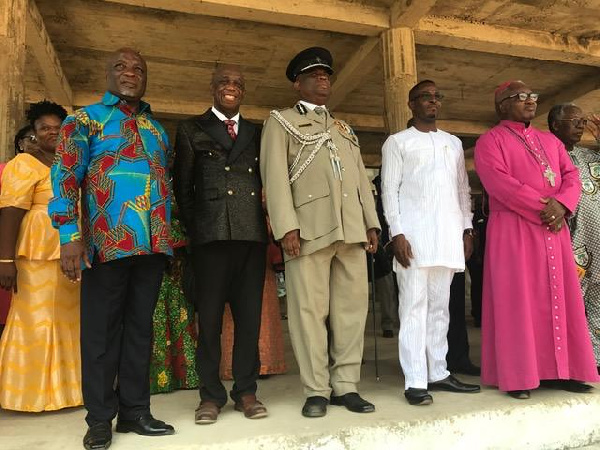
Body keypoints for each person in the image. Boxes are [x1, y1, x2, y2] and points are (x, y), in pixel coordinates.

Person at [49, 48, 174, 450]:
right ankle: (100, 418)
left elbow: (164, 186)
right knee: (102, 334)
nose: (130, 73)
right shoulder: (84, 120)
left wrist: (172, 241)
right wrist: (69, 235)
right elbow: (66, 175)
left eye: (139, 68)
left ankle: (136, 412)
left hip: (153, 245)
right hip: (105, 245)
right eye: (121, 66)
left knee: (140, 331)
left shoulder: (156, 129)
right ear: (107, 74)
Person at [260, 47, 380, 418]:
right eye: (313, 75)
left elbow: (361, 177)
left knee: (351, 310)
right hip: (308, 230)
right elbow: (275, 177)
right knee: (308, 312)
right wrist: (286, 228)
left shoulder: (342, 127)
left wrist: (372, 222)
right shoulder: (280, 122)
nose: (322, 79)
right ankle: (316, 390)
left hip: (351, 230)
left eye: (326, 74)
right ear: (298, 83)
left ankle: (346, 385)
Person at [474, 81, 599, 400]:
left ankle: (564, 371)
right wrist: (546, 207)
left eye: (533, 96)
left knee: (560, 299)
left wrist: (563, 204)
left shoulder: (549, 140)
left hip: (553, 231)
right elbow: (499, 183)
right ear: (502, 104)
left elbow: (570, 176)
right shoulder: (490, 141)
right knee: (519, 301)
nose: (530, 101)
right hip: (515, 230)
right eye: (521, 97)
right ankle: (519, 376)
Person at [173, 65, 268, 424]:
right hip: (210, 238)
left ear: (243, 92)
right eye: (225, 83)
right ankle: (210, 396)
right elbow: (182, 188)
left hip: (250, 237)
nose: (231, 88)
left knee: (249, 321)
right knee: (209, 321)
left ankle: (246, 391)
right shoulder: (190, 129)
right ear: (212, 88)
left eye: (238, 84)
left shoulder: (258, 133)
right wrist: (197, 231)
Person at [381, 80, 480, 406]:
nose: (432, 102)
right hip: (414, 239)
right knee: (413, 309)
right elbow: (389, 190)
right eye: (425, 97)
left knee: (441, 309)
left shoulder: (452, 143)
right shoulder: (398, 142)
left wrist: (467, 229)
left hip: (448, 236)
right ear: (411, 104)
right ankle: (415, 380)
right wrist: (396, 233)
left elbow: (462, 189)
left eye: (437, 97)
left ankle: (438, 371)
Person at [0, 101, 82, 412]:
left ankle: (66, 394)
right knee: (35, 321)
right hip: (35, 254)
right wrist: (5, 260)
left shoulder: (70, 164)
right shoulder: (24, 163)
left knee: (67, 322)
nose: (52, 132)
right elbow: (10, 212)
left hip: (70, 252)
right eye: (44, 127)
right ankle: (27, 396)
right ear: (34, 133)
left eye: (57, 127)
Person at [549, 104, 600, 371]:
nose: (581, 125)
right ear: (555, 125)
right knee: (566, 305)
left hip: (596, 243)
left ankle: (595, 360)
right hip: (566, 242)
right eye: (574, 120)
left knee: (597, 304)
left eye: (583, 121)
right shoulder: (545, 156)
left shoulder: (589, 156)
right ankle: (568, 364)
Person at [149, 194, 199, 394]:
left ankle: (187, 375)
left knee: (181, 313)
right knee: (157, 315)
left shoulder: (173, 178)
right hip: (152, 251)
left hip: (178, 258)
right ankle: (162, 379)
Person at [0, 125, 36, 336]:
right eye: (29, 138)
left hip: (38, 256)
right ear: (19, 144)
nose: (35, 142)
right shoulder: (4, 171)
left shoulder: (55, 175)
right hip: (8, 250)